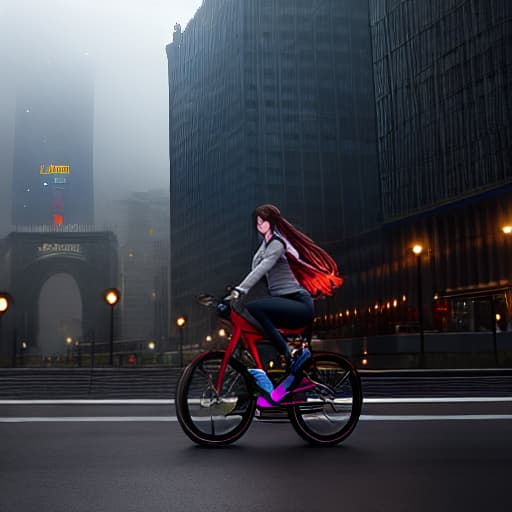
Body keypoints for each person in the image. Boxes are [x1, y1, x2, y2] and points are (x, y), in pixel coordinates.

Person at [226, 204, 343, 398]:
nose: (259, 224)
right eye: (257, 221)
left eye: (262, 221)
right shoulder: (264, 246)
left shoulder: (278, 244)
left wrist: (241, 289)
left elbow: (262, 269)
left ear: (271, 222)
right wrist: (234, 295)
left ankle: (290, 352)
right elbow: (258, 276)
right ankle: (270, 379)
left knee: (256, 309)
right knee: (253, 321)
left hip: (298, 304)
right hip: (284, 303)